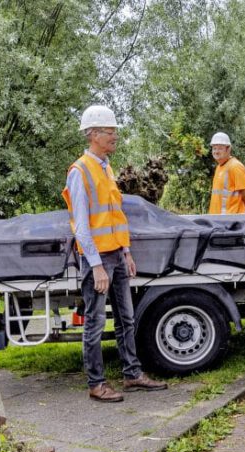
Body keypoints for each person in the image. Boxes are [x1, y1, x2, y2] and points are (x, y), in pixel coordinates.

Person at [63, 105, 168, 403]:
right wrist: (96, 266)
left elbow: (115, 215)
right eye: (111, 132)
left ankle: (132, 374)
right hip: (98, 260)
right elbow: (81, 227)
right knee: (95, 322)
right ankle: (96, 384)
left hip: (117, 257)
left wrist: (126, 251)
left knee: (127, 318)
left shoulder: (106, 167)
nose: (115, 136)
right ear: (94, 134)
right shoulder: (80, 171)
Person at [208, 132, 245, 214]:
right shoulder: (219, 167)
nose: (216, 151)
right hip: (219, 221)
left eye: (220, 148)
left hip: (232, 222)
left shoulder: (235, 166)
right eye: (214, 148)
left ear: (228, 149)